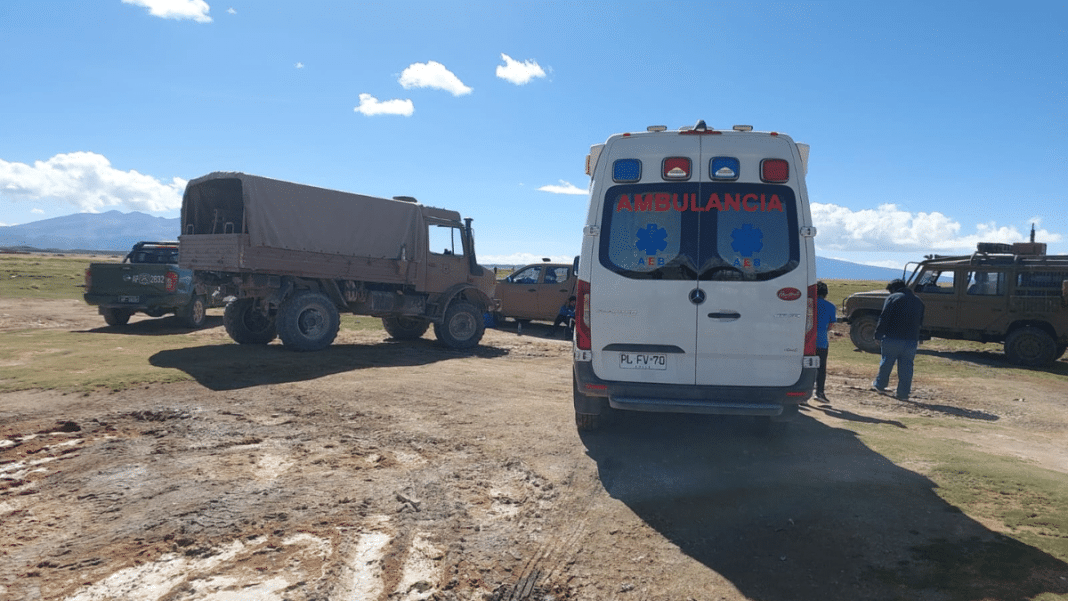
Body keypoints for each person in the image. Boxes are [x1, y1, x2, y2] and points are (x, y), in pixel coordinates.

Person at [871, 278, 925, 401]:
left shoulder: (893, 298)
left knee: (886, 362)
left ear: (893, 289)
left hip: (892, 337)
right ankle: (903, 393)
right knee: (907, 367)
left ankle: (880, 385)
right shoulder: (918, 301)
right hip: (911, 340)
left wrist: (878, 335)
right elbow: (921, 321)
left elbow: (884, 318)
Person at [814, 281, 836, 403]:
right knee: (821, 368)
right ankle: (820, 392)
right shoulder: (831, 306)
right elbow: (830, 326)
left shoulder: (807, 304)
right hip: (821, 341)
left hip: (805, 341)